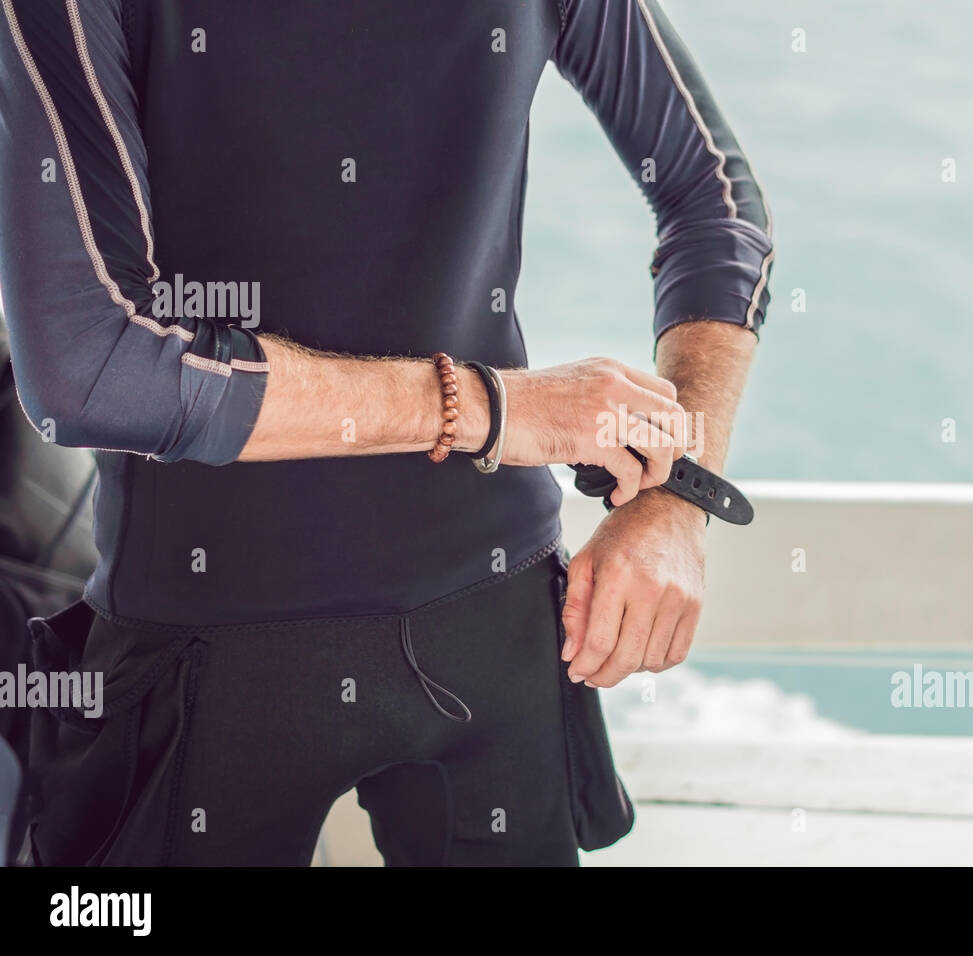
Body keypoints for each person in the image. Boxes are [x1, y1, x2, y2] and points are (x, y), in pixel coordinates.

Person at [0, 0, 774, 865]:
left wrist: (674, 497)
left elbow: (712, 198)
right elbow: (90, 372)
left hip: (491, 632)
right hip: (209, 659)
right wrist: (493, 408)